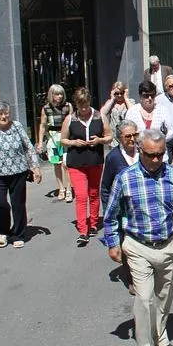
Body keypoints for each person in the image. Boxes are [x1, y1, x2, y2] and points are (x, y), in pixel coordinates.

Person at [101, 128, 173, 346]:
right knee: (144, 299)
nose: (155, 160)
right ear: (140, 150)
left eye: (160, 155)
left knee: (164, 296)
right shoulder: (125, 178)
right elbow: (111, 215)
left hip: (168, 246)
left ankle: (160, 338)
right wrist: (113, 243)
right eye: (150, 155)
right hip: (138, 247)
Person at [0, 100, 42, 248]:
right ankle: (3, 231)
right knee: (0, 203)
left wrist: (35, 167)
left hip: (18, 172)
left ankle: (18, 234)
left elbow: (28, 147)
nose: (4, 116)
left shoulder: (17, 126)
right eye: (0, 113)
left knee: (18, 204)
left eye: (6, 113)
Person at [61, 87, 112, 246]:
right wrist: (74, 142)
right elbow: (63, 139)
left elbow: (109, 137)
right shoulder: (70, 119)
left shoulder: (100, 116)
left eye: (86, 104)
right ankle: (83, 229)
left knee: (94, 193)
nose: (83, 109)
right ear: (76, 104)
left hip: (95, 160)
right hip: (76, 162)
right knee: (82, 196)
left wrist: (99, 140)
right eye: (80, 105)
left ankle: (94, 223)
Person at [100, 120, 140, 295]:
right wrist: (109, 211)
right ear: (119, 138)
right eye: (128, 136)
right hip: (123, 210)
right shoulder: (113, 158)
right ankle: (132, 279)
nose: (132, 139)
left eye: (135, 135)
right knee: (127, 245)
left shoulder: (144, 151)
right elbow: (105, 187)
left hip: (143, 207)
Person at [36, 84, 71, 202]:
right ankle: (61, 188)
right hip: (53, 138)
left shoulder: (68, 106)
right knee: (57, 164)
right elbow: (42, 125)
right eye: (57, 94)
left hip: (66, 137)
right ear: (52, 95)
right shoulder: (46, 108)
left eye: (61, 94)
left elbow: (72, 121)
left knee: (66, 164)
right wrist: (40, 142)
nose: (59, 96)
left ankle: (69, 189)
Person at [125, 81, 170, 148]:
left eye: (152, 95)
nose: (149, 98)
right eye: (146, 96)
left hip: (158, 151)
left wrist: (161, 142)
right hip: (138, 151)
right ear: (140, 96)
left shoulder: (162, 110)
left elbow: (171, 131)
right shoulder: (132, 111)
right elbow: (126, 132)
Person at [99, 81, 135, 149]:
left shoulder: (130, 101)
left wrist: (126, 98)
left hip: (127, 137)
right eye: (117, 93)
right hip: (114, 140)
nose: (119, 95)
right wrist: (112, 99)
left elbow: (133, 111)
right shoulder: (110, 103)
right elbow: (102, 112)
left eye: (121, 93)